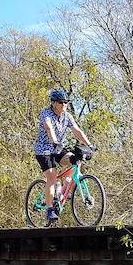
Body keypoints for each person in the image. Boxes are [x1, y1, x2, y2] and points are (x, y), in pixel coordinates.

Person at [33, 88, 93, 223]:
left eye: (66, 102)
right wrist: (54, 141)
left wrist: (89, 144)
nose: (64, 105)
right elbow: (48, 128)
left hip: (58, 148)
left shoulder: (67, 116)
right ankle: (49, 209)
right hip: (44, 150)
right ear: (53, 103)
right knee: (52, 177)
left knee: (76, 160)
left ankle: (63, 188)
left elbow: (77, 130)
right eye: (61, 102)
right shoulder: (46, 113)